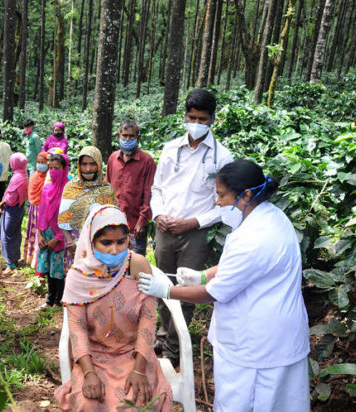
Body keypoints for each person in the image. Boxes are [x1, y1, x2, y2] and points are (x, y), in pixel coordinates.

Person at [138, 159, 310, 411]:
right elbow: (237, 268)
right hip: (275, 335)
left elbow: (212, 293)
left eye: (221, 195)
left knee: (249, 403)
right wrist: (204, 274)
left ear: (246, 194)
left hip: (257, 344)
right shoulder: (271, 217)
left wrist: (165, 290)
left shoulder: (254, 238)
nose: (217, 202)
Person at [54, 205, 173, 411]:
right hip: (93, 356)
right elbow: (77, 327)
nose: (115, 249)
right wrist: (89, 373)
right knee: (89, 402)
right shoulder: (79, 275)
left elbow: (148, 320)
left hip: (134, 353)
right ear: (92, 241)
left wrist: (139, 370)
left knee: (135, 401)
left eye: (121, 241)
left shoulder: (137, 265)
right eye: (106, 242)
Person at [150, 88, 234, 364]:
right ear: (184, 116)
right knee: (163, 283)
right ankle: (163, 337)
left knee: (185, 289)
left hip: (195, 233)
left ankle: (176, 346)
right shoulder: (170, 149)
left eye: (203, 119)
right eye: (192, 117)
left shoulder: (222, 157)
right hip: (164, 229)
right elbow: (157, 188)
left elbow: (223, 203)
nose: (196, 124)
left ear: (212, 120)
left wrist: (193, 222)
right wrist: (159, 214)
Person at [106, 119, 156, 256]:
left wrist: (142, 221)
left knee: (135, 264)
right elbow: (107, 190)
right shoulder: (112, 159)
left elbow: (149, 194)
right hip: (113, 222)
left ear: (138, 137)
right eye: (125, 136)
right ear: (119, 136)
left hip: (135, 226)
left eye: (131, 136)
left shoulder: (147, 162)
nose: (127, 139)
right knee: (113, 262)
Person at [58, 146, 116, 259]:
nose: (88, 169)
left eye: (92, 164)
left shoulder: (107, 189)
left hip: (101, 245)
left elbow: (113, 221)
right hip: (74, 244)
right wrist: (70, 242)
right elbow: (63, 218)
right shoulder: (71, 187)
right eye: (84, 164)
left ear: (99, 164)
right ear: (79, 165)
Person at [35, 153, 70, 310]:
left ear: (64, 169)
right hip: (46, 232)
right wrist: (40, 234)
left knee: (59, 270)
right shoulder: (47, 187)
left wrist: (58, 237)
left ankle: (59, 300)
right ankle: (49, 299)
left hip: (61, 235)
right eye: (51, 168)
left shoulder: (69, 189)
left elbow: (70, 216)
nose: (54, 171)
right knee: (49, 267)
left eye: (58, 168)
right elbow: (42, 211)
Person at [0, 153, 29, 275]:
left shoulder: (17, 177)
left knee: (7, 236)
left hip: (12, 209)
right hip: (20, 208)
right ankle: (15, 258)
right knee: (16, 234)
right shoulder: (23, 174)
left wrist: (2, 203)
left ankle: (10, 264)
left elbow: (11, 198)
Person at [22, 151, 50, 266]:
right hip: (34, 209)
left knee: (41, 235)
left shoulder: (49, 177)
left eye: (43, 162)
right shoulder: (34, 175)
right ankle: (30, 256)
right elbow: (30, 192)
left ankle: (39, 261)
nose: (40, 164)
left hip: (43, 210)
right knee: (33, 232)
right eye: (38, 162)